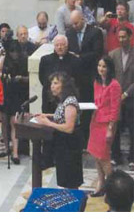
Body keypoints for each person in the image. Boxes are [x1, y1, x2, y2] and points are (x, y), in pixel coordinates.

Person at [38, 35, 80, 169]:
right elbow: (42, 79)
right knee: (47, 131)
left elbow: (77, 80)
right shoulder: (46, 60)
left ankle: (59, 158)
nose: (60, 47)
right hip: (49, 101)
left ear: (67, 46)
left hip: (65, 99)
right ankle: (47, 159)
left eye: (62, 45)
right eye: (57, 45)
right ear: (54, 46)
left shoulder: (74, 60)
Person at [36, 72, 83, 189]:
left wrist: (48, 123)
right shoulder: (63, 100)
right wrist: (47, 115)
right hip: (62, 144)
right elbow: (61, 115)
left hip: (70, 144)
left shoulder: (70, 101)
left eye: (56, 83)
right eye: (52, 83)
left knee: (70, 178)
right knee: (63, 175)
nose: (52, 86)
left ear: (64, 85)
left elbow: (68, 127)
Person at [66, 10, 104, 147]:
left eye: (76, 23)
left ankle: (88, 140)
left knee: (89, 111)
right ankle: (78, 140)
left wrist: (79, 58)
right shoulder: (69, 33)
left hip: (90, 77)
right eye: (72, 23)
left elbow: (97, 52)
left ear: (82, 19)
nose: (74, 26)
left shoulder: (95, 32)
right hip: (75, 79)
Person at [1, 26, 36, 164]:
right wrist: (5, 76)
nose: (14, 54)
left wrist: (20, 78)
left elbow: (30, 78)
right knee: (4, 122)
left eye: (16, 52)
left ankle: (15, 152)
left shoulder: (24, 60)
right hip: (6, 91)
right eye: (12, 52)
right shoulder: (6, 60)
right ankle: (6, 148)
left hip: (18, 93)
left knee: (14, 122)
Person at [87, 56, 121, 197]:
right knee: (96, 155)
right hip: (95, 122)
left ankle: (115, 190)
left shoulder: (115, 85)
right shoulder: (97, 82)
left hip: (107, 124)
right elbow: (97, 102)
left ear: (110, 68)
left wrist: (110, 129)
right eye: (99, 66)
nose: (101, 69)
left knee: (104, 157)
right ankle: (101, 184)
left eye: (104, 66)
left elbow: (115, 109)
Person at [109, 27, 134, 169]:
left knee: (132, 128)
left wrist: (126, 93)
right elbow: (109, 75)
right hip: (115, 98)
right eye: (120, 37)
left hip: (132, 98)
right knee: (115, 128)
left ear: (130, 37)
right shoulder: (113, 55)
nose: (122, 40)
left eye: (124, 37)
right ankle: (115, 156)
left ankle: (132, 157)